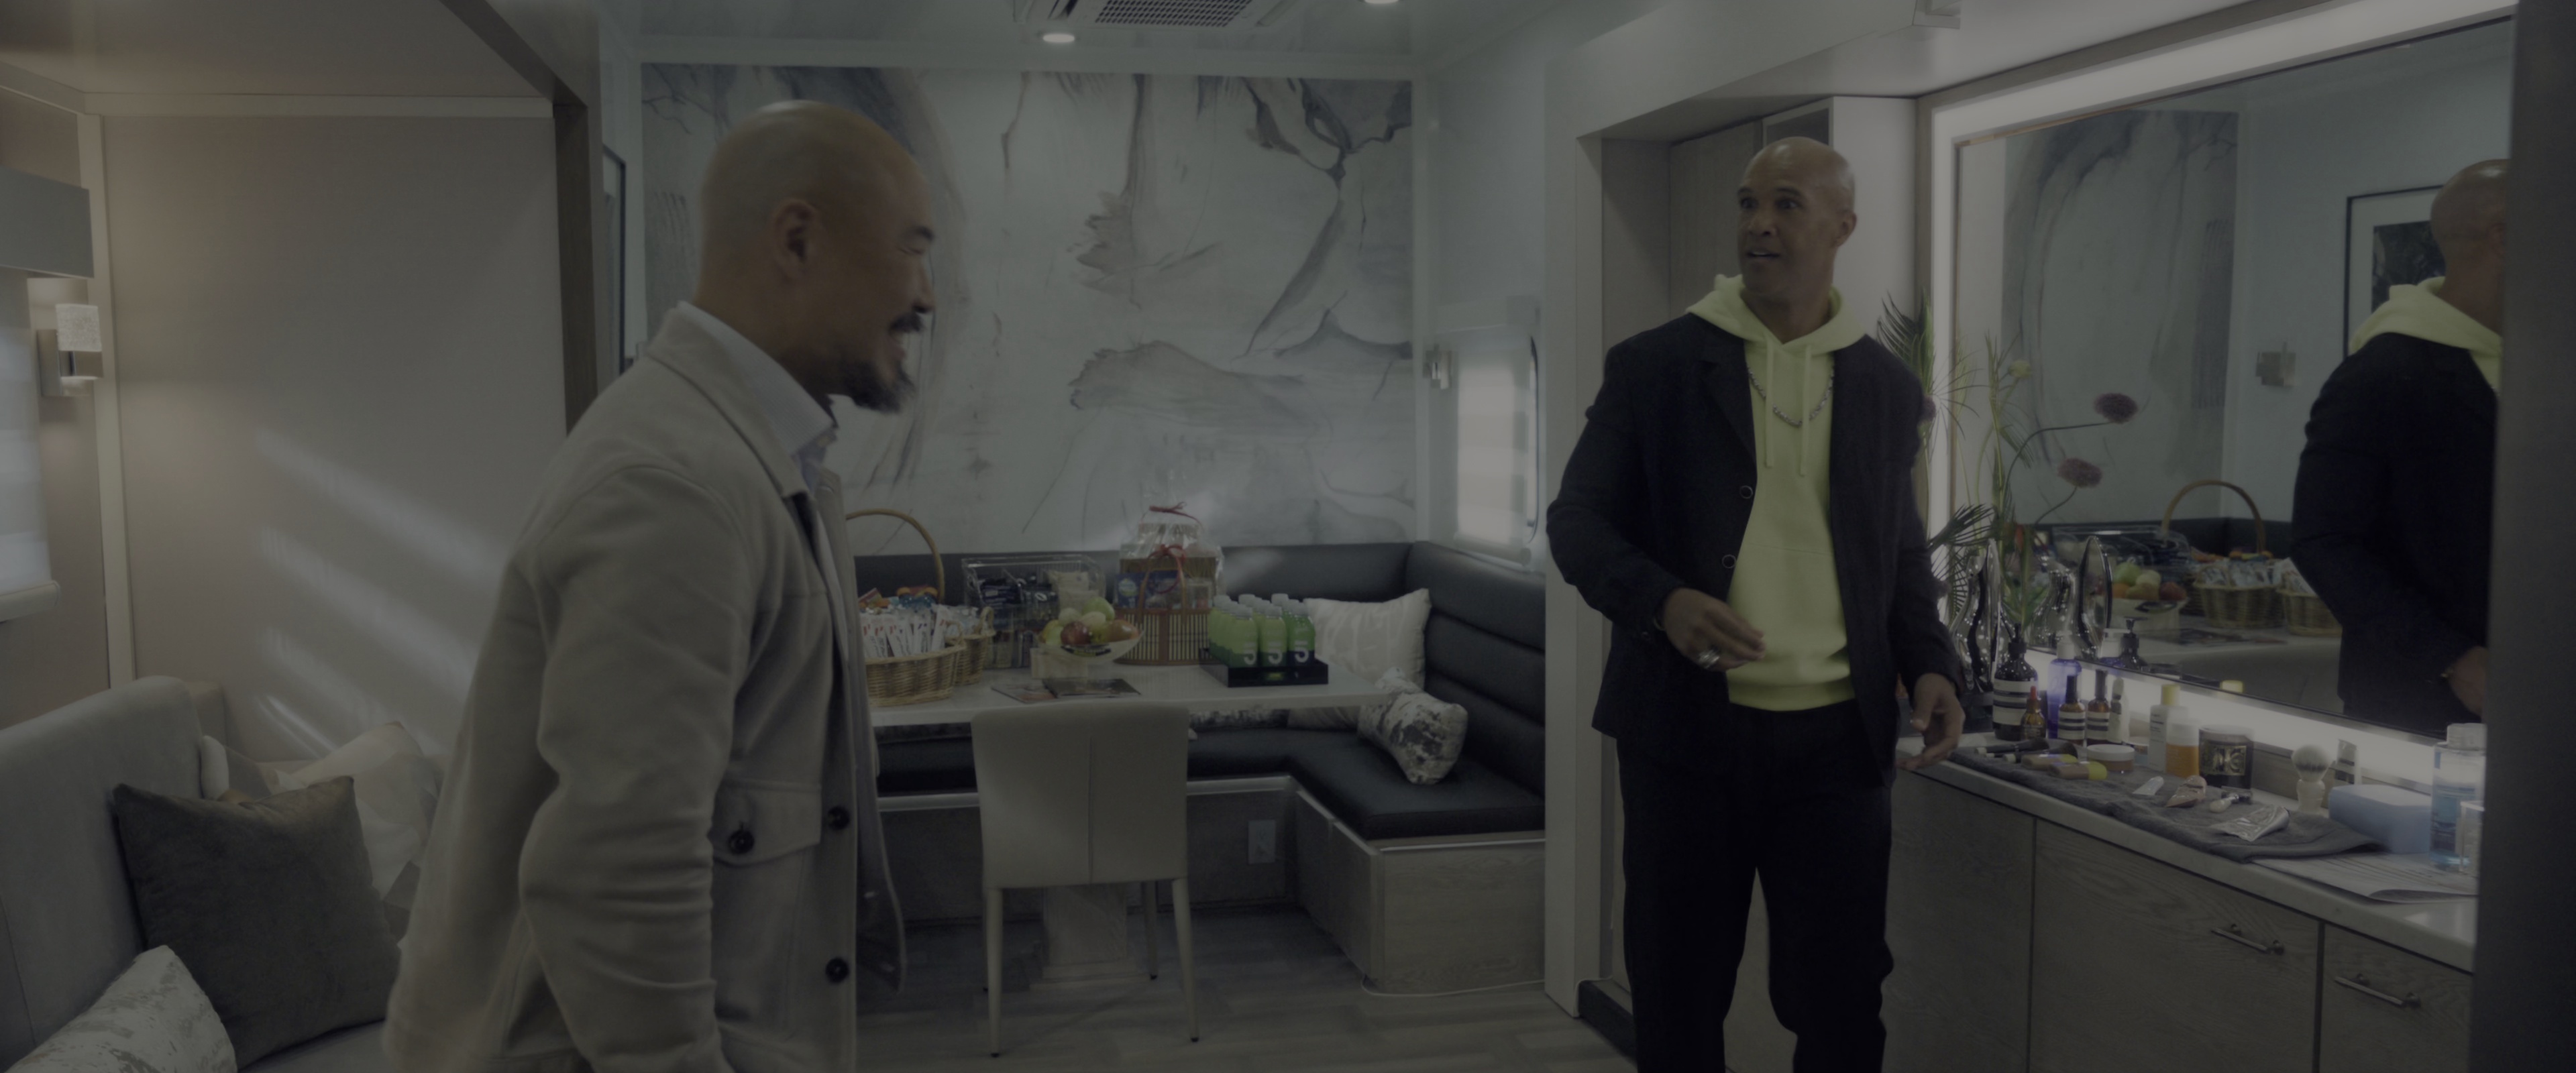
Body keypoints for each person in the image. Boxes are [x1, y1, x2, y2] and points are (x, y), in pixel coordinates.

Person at [387, 101, 937, 1073]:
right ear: (798, 241)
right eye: (912, 249)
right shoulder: (676, 484)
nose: (925, 295)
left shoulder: (748, 458)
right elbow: (617, 874)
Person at [1548, 137, 1964, 1072]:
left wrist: (1931, 660)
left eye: (1785, 204)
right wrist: (1663, 600)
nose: (1758, 225)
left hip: (1840, 746)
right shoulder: (1656, 367)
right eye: (1747, 204)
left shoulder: (1885, 388)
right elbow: (1576, 521)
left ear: (1843, 227)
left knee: (1843, 1004)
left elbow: (1898, 552)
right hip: (1687, 739)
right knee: (1678, 994)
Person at [2295, 159, 2507, 736]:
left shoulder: (2547, 366)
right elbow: (2325, 541)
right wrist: (2451, 658)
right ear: (2504, 237)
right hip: (2419, 705)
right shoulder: (2382, 374)